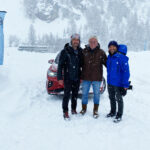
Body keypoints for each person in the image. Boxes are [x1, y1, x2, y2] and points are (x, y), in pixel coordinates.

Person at [80, 36, 107, 118]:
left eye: (94, 41)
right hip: (86, 77)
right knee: (84, 94)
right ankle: (83, 109)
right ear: (88, 42)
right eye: (91, 41)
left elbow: (108, 64)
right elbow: (79, 63)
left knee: (97, 94)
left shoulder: (101, 52)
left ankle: (95, 110)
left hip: (97, 78)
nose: (92, 43)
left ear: (97, 42)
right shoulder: (84, 51)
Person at [57, 33, 83, 120]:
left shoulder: (80, 51)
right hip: (68, 77)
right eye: (74, 40)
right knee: (66, 95)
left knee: (75, 94)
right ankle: (65, 111)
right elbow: (60, 65)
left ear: (79, 42)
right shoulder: (65, 51)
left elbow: (83, 64)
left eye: (77, 40)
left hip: (77, 77)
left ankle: (73, 109)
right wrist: (59, 78)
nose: (76, 41)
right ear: (71, 41)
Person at [106, 41, 130, 123]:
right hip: (110, 82)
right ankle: (113, 112)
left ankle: (119, 114)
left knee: (119, 99)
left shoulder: (121, 58)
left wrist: (125, 85)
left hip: (118, 84)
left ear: (117, 48)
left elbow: (126, 72)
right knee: (111, 98)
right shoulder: (109, 57)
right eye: (110, 47)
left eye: (114, 47)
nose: (112, 48)